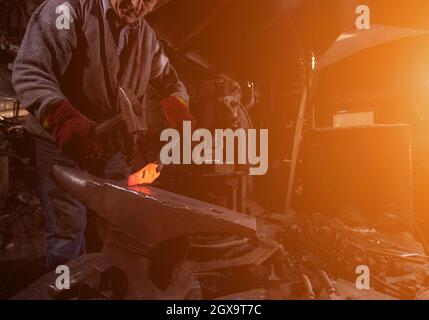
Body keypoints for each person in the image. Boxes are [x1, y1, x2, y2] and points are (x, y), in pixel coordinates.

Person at [12, 0, 195, 270]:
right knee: (68, 230)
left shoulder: (148, 39)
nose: (135, 4)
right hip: (60, 142)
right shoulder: (67, 10)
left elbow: (171, 84)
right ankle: (67, 291)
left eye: (147, 0)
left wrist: (177, 112)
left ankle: (105, 283)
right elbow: (30, 71)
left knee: (118, 222)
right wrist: (64, 121)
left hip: (110, 147)